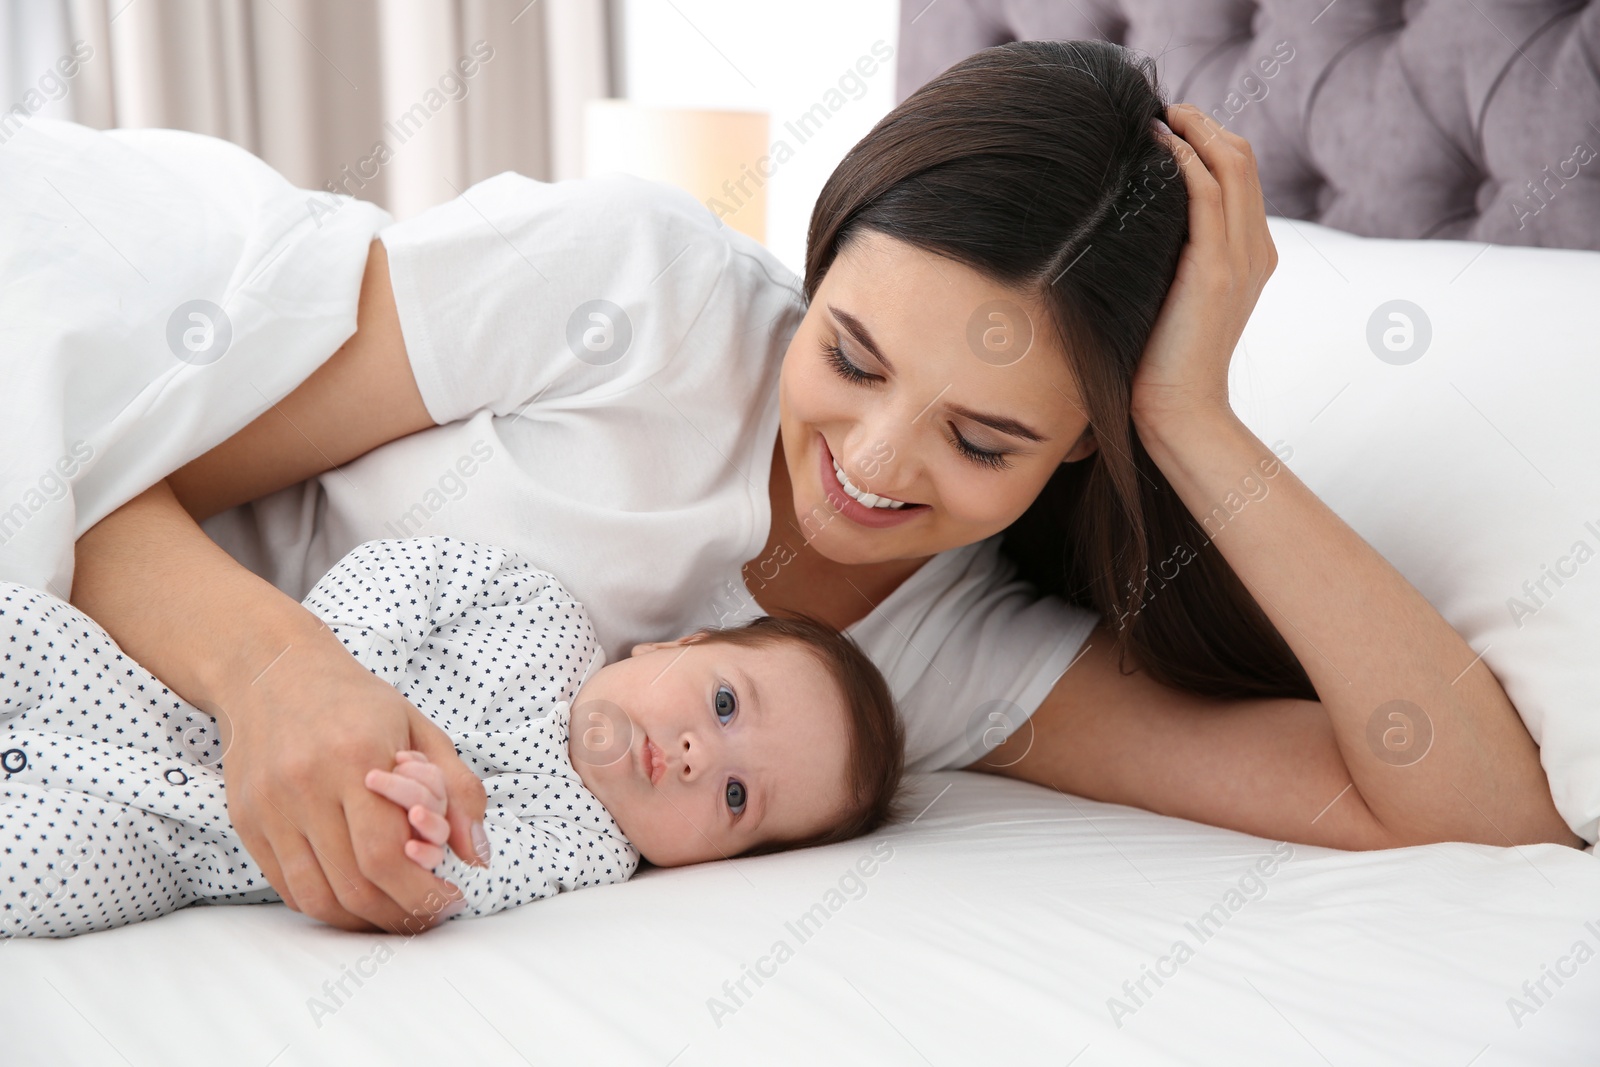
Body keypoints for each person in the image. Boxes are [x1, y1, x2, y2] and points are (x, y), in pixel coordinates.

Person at [57, 39, 1580, 936]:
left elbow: (1482, 812)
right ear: (822, 258)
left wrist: (1191, 416)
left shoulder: (957, 659)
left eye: (985, 441)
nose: (871, 461)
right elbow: (110, 478)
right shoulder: (631, 288)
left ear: (1076, 449)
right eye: (851, 352)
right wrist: (279, 676)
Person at [0, 535, 906, 937]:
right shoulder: (535, 611)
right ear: (677, 643)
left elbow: (449, 883)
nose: (705, 756)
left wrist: (420, 825)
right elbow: (405, 571)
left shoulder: (583, 850)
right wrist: (342, 692)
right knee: (21, 634)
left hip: (187, 843)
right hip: (149, 690)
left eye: (737, 798)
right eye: (722, 703)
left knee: (45, 862)